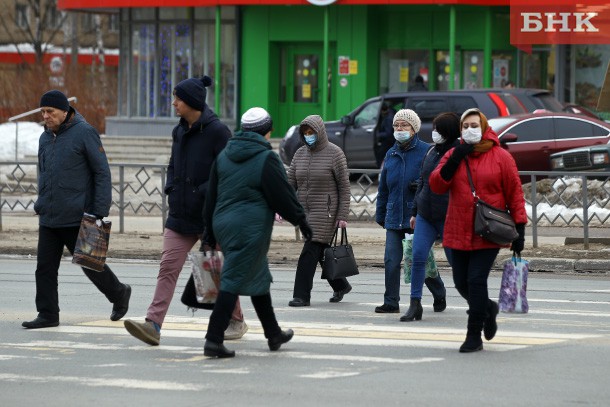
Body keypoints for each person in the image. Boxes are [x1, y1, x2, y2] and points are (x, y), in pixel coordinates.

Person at [123, 76, 247, 346]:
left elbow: (229, 172)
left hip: (212, 215)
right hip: (180, 214)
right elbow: (172, 164)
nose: (173, 103)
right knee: (168, 267)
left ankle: (236, 319)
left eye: (177, 98)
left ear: (191, 102)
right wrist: (171, 187)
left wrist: (201, 191)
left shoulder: (218, 132)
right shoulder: (178, 131)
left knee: (215, 268)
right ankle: (153, 325)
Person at [202, 107, 312, 358]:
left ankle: (273, 334)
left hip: (223, 224)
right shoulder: (266, 158)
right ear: (268, 131)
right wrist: (301, 221)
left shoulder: (224, 155)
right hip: (250, 228)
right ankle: (213, 339)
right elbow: (282, 194)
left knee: (258, 276)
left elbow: (212, 197)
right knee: (232, 279)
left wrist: (208, 231)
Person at [22, 90, 131, 329]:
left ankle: (119, 293)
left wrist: (99, 210)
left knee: (91, 266)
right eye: (42, 112)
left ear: (64, 110)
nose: (45, 116)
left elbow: (102, 172)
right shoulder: (44, 138)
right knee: (44, 268)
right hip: (50, 214)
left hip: (78, 215)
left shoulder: (85, 133)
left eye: (50, 111)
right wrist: (41, 201)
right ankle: (48, 313)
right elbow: (44, 173)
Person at [429, 108, 526, 353]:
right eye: (465, 126)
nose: (470, 130)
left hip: (488, 229)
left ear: (483, 127)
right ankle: (488, 308)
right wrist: (455, 158)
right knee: (461, 282)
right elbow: (437, 185)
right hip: (457, 228)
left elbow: (515, 193)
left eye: (474, 125)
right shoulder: (454, 153)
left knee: (475, 279)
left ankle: (474, 336)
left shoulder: (500, 156)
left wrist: (520, 228)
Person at [286, 115, 352, 307]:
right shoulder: (299, 154)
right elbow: (290, 184)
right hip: (304, 212)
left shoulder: (335, 153)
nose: (308, 136)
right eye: (305, 133)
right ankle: (340, 285)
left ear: (320, 132)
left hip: (326, 212)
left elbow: (344, 188)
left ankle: (301, 296)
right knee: (321, 251)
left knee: (309, 252)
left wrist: (342, 215)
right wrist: (281, 206)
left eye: (311, 132)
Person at [401, 112, 460, 322]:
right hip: (426, 214)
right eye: (434, 128)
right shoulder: (431, 152)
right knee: (417, 257)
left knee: (457, 263)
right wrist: (415, 212)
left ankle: (476, 301)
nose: (434, 133)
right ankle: (414, 304)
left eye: (438, 129)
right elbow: (422, 183)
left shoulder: (458, 154)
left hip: (449, 216)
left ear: (449, 132)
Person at [375, 109, 430, 314]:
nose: (399, 129)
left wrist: (421, 186)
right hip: (393, 217)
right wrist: (380, 214)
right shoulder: (391, 153)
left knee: (420, 261)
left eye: (404, 125)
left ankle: (439, 292)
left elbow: (433, 183)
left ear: (414, 129)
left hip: (417, 217)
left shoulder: (426, 151)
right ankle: (391, 301)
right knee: (391, 260)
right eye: (396, 125)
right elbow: (383, 189)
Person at [375, 102, 396, 167]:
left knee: (380, 155)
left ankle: (380, 170)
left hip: (388, 141)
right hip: (390, 141)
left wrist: (378, 135)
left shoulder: (388, 118)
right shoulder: (391, 113)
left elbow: (388, 133)